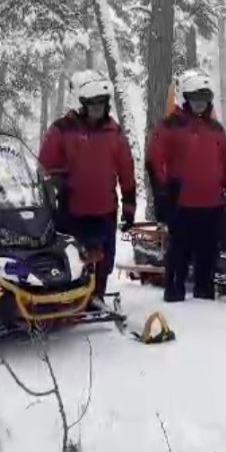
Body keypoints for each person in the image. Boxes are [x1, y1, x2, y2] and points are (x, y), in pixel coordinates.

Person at [38, 70, 136, 300]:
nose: (96, 110)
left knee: (103, 261)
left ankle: (97, 296)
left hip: (105, 210)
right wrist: (55, 183)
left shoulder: (113, 131)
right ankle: (69, 297)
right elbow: (44, 166)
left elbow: (126, 169)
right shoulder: (62, 129)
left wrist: (129, 204)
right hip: (71, 210)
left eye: (101, 105)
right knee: (74, 259)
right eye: (92, 105)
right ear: (80, 104)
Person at [146, 70, 226, 303]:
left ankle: (204, 300)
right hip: (181, 206)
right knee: (178, 256)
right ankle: (174, 297)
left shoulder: (216, 130)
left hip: (212, 206)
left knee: (207, 259)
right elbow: (154, 159)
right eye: (195, 98)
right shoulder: (170, 126)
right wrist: (161, 194)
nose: (200, 103)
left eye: (205, 98)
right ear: (185, 98)